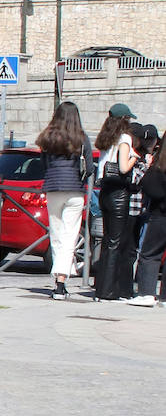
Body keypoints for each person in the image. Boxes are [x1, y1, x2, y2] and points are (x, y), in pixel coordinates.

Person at [34, 101, 94, 300]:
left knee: (57, 234)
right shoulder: (81, 138)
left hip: (53, 188)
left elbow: (42, 164)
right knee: (70, 236)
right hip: (75, 190)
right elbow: (90, 168)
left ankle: (58, 282)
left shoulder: (47, 137)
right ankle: (61, 282)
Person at [92, 103, 139, 301]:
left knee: (106, 242)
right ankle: (109, 291)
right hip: (119, 193)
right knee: (115, 243)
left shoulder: (105, 138)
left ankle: (100, 287)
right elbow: (122, 167)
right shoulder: (125, 138)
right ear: (124, 120)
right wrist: (134, 159)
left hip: (104, 191)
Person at [131, 133, 166, 307]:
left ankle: (146, 292)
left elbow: (149, 187)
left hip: (161, 214)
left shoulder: (161, 164)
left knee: (150, 254)